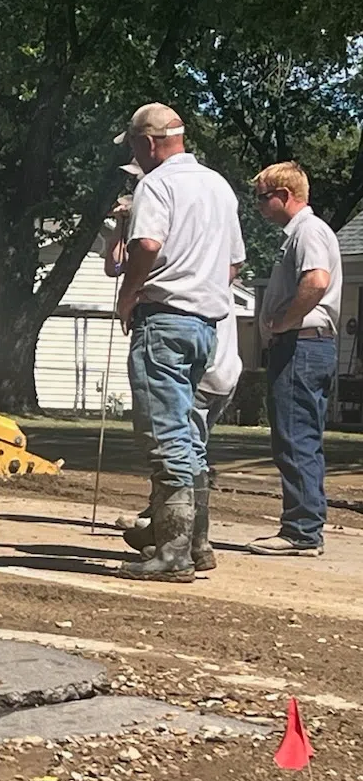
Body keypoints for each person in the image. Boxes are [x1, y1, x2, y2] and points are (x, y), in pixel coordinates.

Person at [111, 102, 241, 583]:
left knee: (165, 437)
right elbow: (233, 265)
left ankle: (172, 551)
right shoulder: (218, 186)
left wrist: (129, 296)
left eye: (134, 148)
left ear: (148, 143)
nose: (136, 157)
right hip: (205, 325)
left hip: (163, 321)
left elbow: (146, 245)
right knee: (188, 435)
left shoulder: (157, 184)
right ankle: (198, 542)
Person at [248, 161, 343, 557]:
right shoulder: (300, 233)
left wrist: (285, 322)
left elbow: (317, 280)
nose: (259, 206)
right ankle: (303, 525)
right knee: (298, 435)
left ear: (285, 196)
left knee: (294, 436)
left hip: (302, 346)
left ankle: (302, 531)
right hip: (308, 346)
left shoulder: (308, 230)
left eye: (263, 198)